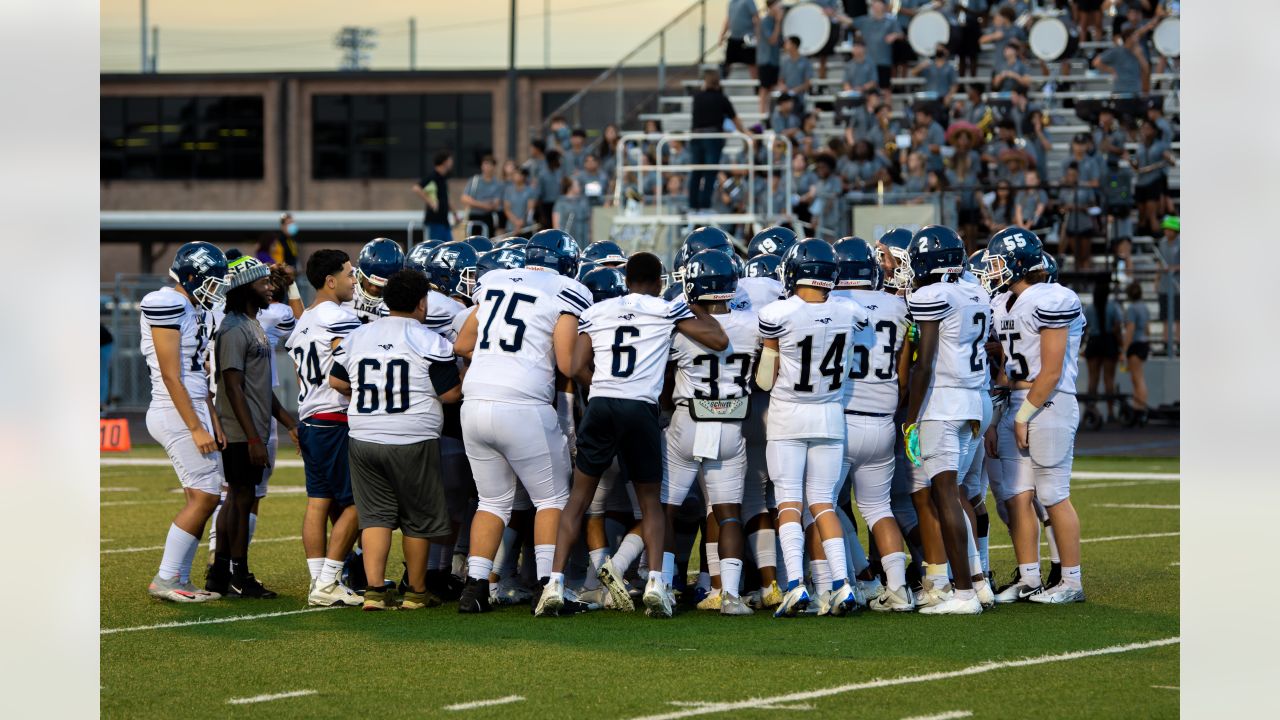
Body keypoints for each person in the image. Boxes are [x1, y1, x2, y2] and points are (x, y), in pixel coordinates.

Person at [537, 252, 729, 618]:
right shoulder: (665, 308)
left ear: (626, 281)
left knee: (578, 499)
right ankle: (656, 581)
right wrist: (691, 302)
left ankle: (555, 583)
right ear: (659, 282)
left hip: (602, 403)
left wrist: (605, 389)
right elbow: (717, 340)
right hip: (640, 407)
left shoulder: (599, 312)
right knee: (651, 501)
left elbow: (575, 366)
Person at [452, 229, 592, 614]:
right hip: (523, 403)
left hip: (476, 400)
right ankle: (550, 587)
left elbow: (462, 345)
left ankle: (475, 588)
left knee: (492, 500)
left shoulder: (494, 280)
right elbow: (566, 362)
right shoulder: (564, 288)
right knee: (551, 497)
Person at [328, 270, 464, 611]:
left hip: (363, 435)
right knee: (417, 518)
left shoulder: (359, 336)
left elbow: (337, 381)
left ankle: (374, 591)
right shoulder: (430, 340)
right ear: (422, 302)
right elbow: (450, 394)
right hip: (412, 435)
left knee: (374, 515)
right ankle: (416, 592)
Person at [756, 239, 868, 617]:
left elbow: (765, 380)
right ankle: (842, 584)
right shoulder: (849, 310)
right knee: (823, 501)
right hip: (830, 415)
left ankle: (795, 585)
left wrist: (768, 351)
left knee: (789, 501)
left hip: (788, 414)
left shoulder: (778, 312)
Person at [984, 226, 1087, 605]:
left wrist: (1024, 415)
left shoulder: (1053, 298)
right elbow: (1008, 363)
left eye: (997, 262)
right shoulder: (1005, 302)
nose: (993, 270)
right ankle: (1029, 577)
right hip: (1017, 403)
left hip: (1049, 402)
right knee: (1016, 495)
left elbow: (1051, 369)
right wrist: (999, 418)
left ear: (1017, 263)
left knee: (1053, 493)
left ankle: (1071, 581)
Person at [901, 225, 992, 615]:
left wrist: (909, 418)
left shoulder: (932, 295)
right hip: (973, 401)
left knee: (945, 498)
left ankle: (964, 593)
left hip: (942, 405)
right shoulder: (974, 290)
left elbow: (925, 363)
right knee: (954, 496)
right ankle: (977, 583)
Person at [142, 242, 230, 603]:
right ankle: (165, 578)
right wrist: (195, 426)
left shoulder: (194, 307)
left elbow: (197, 373)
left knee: (202, 494)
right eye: (210, 282)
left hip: (192, 406)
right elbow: (171, 374)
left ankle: (179, 577)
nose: (216, 290)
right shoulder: (167, 302)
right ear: (191, 277)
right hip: (175, 410)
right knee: (207, 495)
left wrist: (211, 419)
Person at [831, 237, 914, 611]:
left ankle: (854, 577)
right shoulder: (898, 307)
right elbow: (903, 369)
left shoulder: (832, 305)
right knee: (879, 508)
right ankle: (897, 588)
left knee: (822, 504)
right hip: (882, 418)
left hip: (841, 418)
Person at [207, 255, 298, 599]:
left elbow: (261, 387)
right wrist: (253, 437)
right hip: (240, 430)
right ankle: (238, 574)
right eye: (262, 283)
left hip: (251, 427)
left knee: (237, 499)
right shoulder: (232, 328)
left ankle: (219, 572)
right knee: (241, 499)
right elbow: (232, 385)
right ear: (246, 289)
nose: (269, 288)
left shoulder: (252, 323)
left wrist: (290, 423)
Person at [285, 249, 365, 606]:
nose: (354, 280)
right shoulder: (336, 317)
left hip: (309, 418)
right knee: (361, 502)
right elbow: (343, 375)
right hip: (335, 418)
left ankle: (318, 579)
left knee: (318, 502)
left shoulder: (306, 319)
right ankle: (330, 579)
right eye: (349, 274)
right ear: (330, 281)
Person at [688, 68, 746, 212]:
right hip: (713, 138)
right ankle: (705, 205)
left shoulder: (697, 97)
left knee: (696, 172)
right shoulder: (721, 98)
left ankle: (693, 205)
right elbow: (735, 119)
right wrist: (746, 133)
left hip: (696, 137)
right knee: (710, 172)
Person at [1083, 279, 1124, 422]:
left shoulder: (1089, 308)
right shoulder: (1113, 307)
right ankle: (1111, 413)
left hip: (1094, 343)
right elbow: (1118, 328)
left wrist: (1082, 346)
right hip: (1109, 342)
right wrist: (1121, 346)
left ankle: (1090, 410)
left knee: (1093, 379)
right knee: (1109, 379)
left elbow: (1084, 329)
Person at [1133, 120, 1175, 237]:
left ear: (1154, 131)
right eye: (1143, 129)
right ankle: (1141, 242)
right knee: (1141, 215)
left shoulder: (1160, 145)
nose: (1145, 131)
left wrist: (1168, 158)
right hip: (1140, 183)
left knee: (1152, 215)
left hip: (1153, 182)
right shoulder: (1140, 146)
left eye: (1148, 128)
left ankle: (1158, 241)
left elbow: (1170, 159)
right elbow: (1136, 164)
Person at [852, 1, 903, 90]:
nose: (876, 6)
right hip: (869, 62)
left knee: (885, 89)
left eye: (878, 3)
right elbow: (849, 21)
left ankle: (886, 104)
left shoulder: (891, 20)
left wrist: (894, 35)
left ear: (883, 5)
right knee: (870, 91)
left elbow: (901, 35)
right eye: (874, 4)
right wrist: (834, 14)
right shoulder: (865, 20)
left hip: (884, 61)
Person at [1123, 281, 1151, 419]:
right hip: (1144, 342)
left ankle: (1140, 407)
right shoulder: (1144, 307)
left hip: (1136, 344)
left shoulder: (1132, 309)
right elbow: (1147, 328)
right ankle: (1139, 405)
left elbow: (1130, 329)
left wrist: (1124, 349)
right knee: (1138, 378)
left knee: (1137, 378)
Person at [414, 150, 454, 243]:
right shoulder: (433, 176)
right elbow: (416, 188)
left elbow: (446, 198)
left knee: (450, 247)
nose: (452, 163)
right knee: (437, 247)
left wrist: (455, 213)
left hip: (444, 220)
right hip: (435, 220)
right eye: (450, 160)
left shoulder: (443, 178)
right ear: (445, 162)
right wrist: (430, 201)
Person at [461, 155, 505, 238]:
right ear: (481, 166)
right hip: (473, 217)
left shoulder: (498, 184)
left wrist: (473, 202)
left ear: (494, 167)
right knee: (472, 243)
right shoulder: (474, 180)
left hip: (489, 218)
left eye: (489, 165)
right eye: (485, 164)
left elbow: (494, 204)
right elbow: (464, 198)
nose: (487, 167)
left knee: (488, 244)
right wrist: (483, 204)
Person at [755, 0, 785, 114]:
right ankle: (762, 114)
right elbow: (772, 40)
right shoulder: (765, 22)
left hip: (774, 60)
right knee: (764, 88)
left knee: (772, 87)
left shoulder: (776, 22)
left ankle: (770, 113)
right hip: (765, 60)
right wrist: (778, 22)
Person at [1155, 215, 1180, 351]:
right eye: (1165, 229)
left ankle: (1179, 343)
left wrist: (1174, 268)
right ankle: (1165, 344)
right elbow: (1159, 262)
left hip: (1178, 286)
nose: (1166, 231)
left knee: (1178, 317)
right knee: (1164, 316)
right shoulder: (1162, 243)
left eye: (1169, 229)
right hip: (1165, 285)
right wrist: (1156, 280)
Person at [721, 0, 760, 80]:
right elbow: (728, 20)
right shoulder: (731, 3)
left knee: (752, 64)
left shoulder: (748, 1)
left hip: (747, 39)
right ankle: (723, 84)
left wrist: (758, 36)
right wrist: (722, 35)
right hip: (734, 38)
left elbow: (756, 18)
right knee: (728, 63)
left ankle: (756, 86)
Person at [778, 36, 815, 115]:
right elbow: (781, 80)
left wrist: (795, 90)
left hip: (799, 97)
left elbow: (808, 83)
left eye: (788, 43)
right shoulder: (784, 62)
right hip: (786, 96)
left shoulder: (805, 62)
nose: (785, 45)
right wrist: (783, 87)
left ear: (794, 45)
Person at [553, 177, 592, 246]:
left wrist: (590, 234)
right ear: (570, 188)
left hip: (583, 239)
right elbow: (556, 223)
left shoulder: (583, 201)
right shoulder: (560, 202)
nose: (579, 187)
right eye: (577, 185)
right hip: (568, 242)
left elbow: (588, 219)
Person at [503, 166, 538, 235]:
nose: (515, 176)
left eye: (518, 174)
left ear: (523, 176)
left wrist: (521, 223)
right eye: (514, 174)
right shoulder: (508, 190)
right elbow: (507, 209)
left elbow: (530, 209)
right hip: (511, 227)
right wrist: (516, 222)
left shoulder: (530, 190)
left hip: (526, 228)